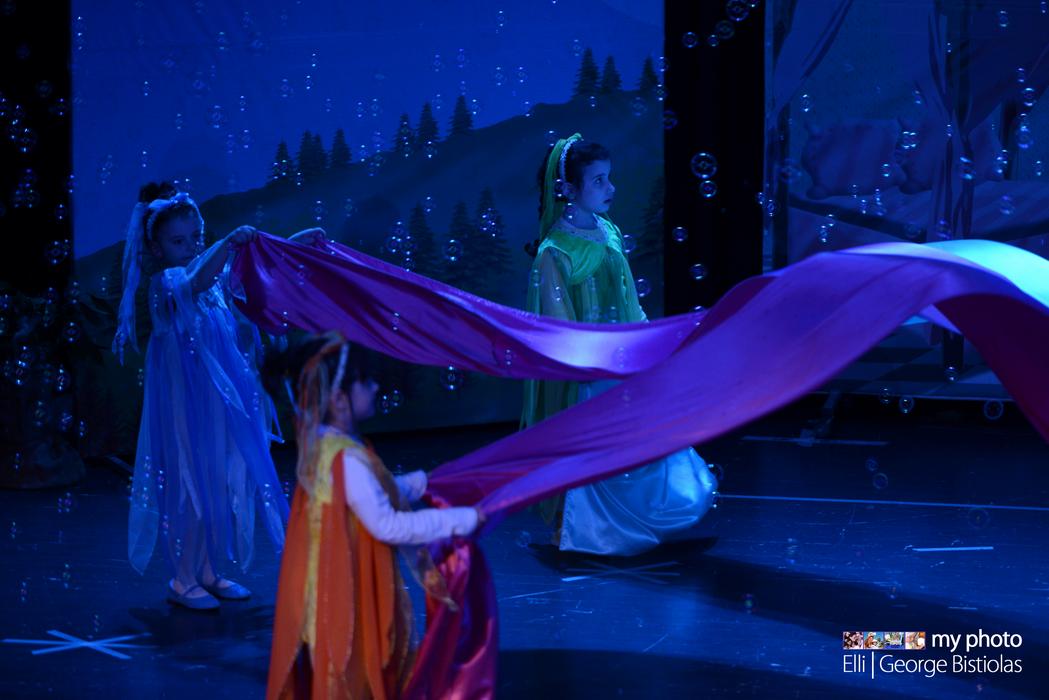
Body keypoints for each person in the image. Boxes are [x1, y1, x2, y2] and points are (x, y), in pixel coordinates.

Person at [113, 182, 324, 609]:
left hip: (219, 403)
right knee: (192, 489)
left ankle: (207, 571)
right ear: (156, 247)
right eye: (177, 241)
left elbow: (257, 273)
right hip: (186, 408)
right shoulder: (165, 283)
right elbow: (193, 281)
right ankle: (182, 579)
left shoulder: (216, 281)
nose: (189, 247)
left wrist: (295, 244)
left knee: (220, 486)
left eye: (195, 238)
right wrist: (226, 244)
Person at [522, 134, 717, 555]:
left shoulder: (608, 231)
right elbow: (559, 326)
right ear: (569, 189)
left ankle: (642, 519)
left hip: (624, 360)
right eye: (599, 181)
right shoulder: (555, 253)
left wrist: (649, 345)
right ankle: (589, 529)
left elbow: (629, 301)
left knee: (649, 442)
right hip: (593, 370)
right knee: (599, 452)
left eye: (609, 178)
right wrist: (593, 363)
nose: (610, 188)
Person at [263, 333, 481, 698]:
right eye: (365, 381)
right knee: (350, 678)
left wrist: (418, 483)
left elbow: (372, 491)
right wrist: (463, 519)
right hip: (344, 598)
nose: (376, 386)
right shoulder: (346, 459)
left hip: (326, 589)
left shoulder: (323, 444)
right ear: (339, 399)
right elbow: (387, 524)